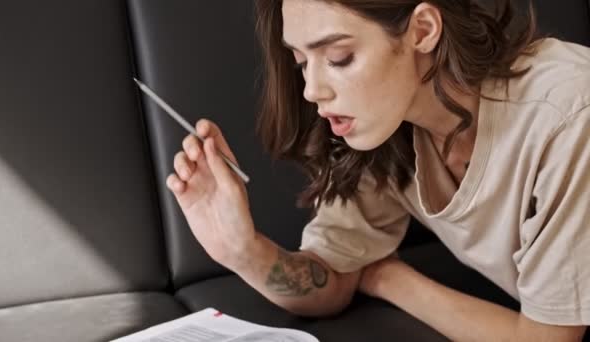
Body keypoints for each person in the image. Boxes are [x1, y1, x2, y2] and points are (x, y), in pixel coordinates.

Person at [165, 0, 590, 340]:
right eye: (300, 62)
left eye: (339, 57)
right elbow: (331, 278)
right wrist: (242, 250)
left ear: (423, 30)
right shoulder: (389, 128)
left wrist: (388, 278)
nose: (312, 89)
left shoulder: (568, 115)